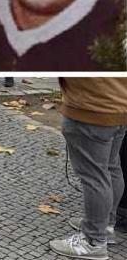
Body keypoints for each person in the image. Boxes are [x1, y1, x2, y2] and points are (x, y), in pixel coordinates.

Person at [48, 78, 127, 259]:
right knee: (110, 167)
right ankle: (105, 226)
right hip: (119, 105)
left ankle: (93, 241)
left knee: (95, 176)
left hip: (91, 108)